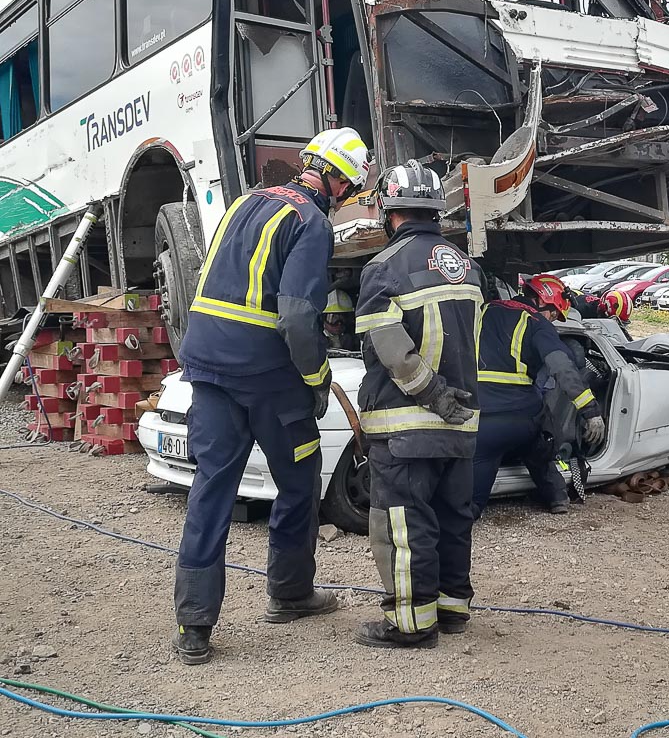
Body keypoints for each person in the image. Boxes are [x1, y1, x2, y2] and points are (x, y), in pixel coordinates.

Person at [172, 128, 371, 665]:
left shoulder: (244, 203)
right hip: (265, 373)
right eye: (349, 187)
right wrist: (317, 378)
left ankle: (194, 626)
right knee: (300, 477)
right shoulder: (311, 222)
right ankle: (289, 593)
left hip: (207, 363)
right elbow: (299, 318)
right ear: (336, 180)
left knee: (212, 488)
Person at [352, 159, 484, 649]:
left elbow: (391, 350)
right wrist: (454, 404)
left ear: (390, 212)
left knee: (405, 526)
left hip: (407, 425)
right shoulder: (469, 268)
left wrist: (434, 396)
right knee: (452, 520)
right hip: (463, 426)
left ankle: (410, 625)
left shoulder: (382, 269)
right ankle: (451, 611)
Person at [473, 274, 605, 518]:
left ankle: (468, 511)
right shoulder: (537, 323)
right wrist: (590, 411)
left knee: (476, 482)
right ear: (544, 301)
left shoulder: (482, 311)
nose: (553, 320)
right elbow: (562, 367)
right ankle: (557, 497)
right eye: (554, 313)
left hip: (481, 420)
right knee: (540, 444)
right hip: (523, 418)